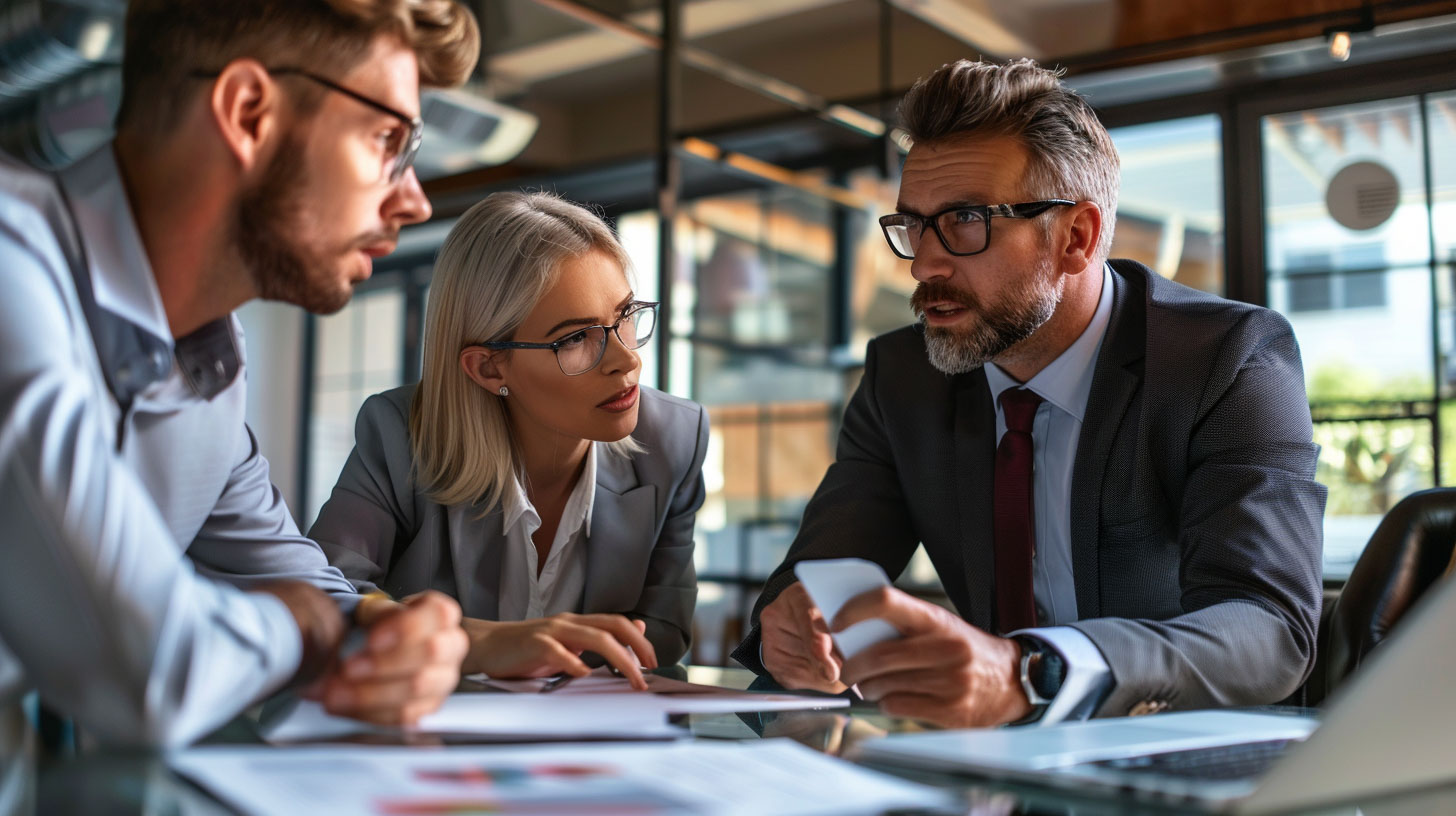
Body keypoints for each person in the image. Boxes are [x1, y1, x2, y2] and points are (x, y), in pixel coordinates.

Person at [733, 58, 1326, 728]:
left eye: (964, 221)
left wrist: (1036, 672)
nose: (925, 264)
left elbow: (1272, 629)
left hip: (1176, 761)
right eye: (914, 226)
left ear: (1077, 237)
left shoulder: (1225, 358)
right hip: (989, 769)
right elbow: (817, 577)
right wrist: (791, 623)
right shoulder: (903, 376)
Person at [0, 0, 481, 747]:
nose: (414, 199)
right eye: (389, 139)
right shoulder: (7, 263)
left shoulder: (209, 374)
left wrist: (393, 631)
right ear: (249, 111)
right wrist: (304, 624)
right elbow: (153, 671)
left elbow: (299, 579)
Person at [309, 192, 709, 688]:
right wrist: (474, 643)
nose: (626, 360)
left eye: (625, 316)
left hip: (590, 743)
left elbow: (665, 634)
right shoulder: (401, 434)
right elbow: (317, 597)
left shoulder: (676, 440)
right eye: (576, 338)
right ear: (488, 366)